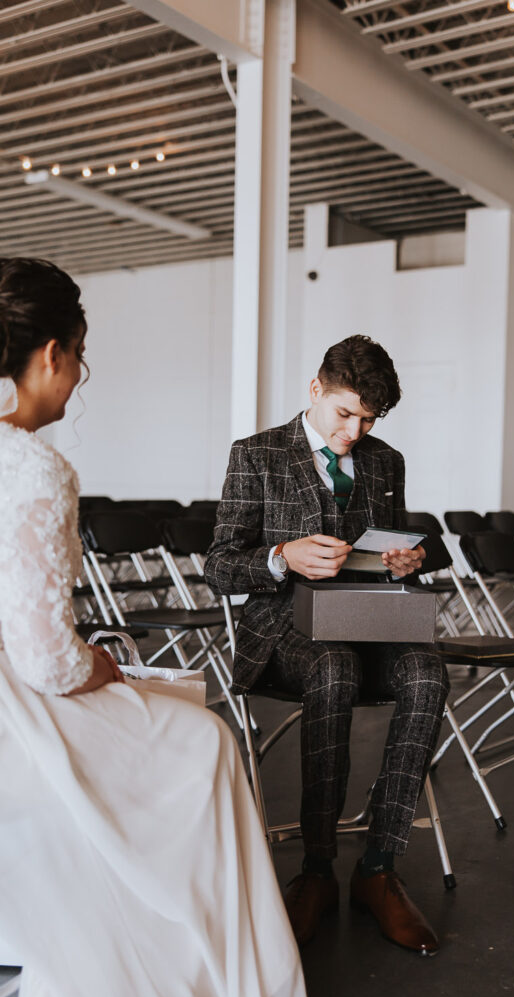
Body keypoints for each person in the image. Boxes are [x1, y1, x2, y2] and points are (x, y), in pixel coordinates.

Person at [0, 257, 327, 997]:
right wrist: (102, 664)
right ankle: (208, 982)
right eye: (79, 357)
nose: (77, 378)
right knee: (204, 740)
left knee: (173, 714)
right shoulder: (26, 466)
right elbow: (46, 661)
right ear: (53, 353)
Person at [204, 336, 450, 954]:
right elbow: (220, 567)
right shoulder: (256, 455)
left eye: (369, 419)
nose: (354, 431)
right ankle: (316, 870)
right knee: (333, 668)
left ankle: (378, 869)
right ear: (316, 391)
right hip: (285, 628)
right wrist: (281, 556)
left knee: (428, 672)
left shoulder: (385, 460)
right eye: (345, 413)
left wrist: (410, 559)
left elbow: (421, 544)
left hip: (369, 620)